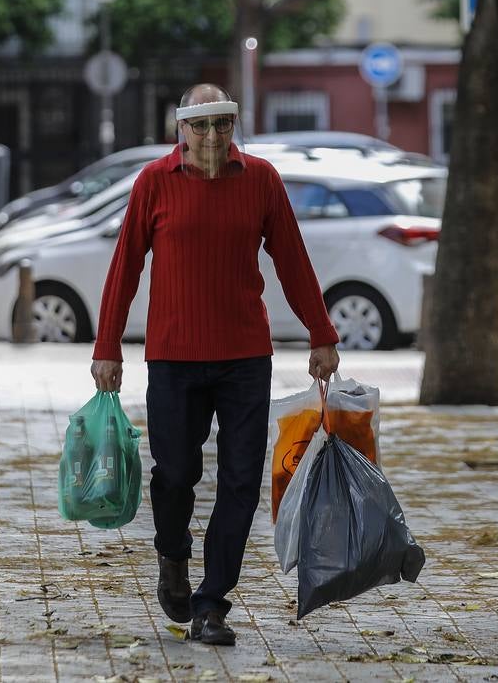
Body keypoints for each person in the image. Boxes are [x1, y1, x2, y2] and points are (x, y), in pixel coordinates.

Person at [89, 84, 341, 646]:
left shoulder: (260, 180)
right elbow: (124, 266)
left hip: (245, 357)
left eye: (221, 124)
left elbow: (293, 260)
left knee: (241, 480)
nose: (210, 136)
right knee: (175, 473)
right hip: (174, 356)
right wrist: (107, 346)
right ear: (181, 129)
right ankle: (172, 556)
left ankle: (211, 605)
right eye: (199, 126)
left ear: (233, 127)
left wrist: (321, 332)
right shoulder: (155, 182)